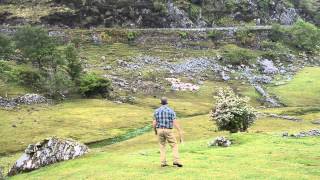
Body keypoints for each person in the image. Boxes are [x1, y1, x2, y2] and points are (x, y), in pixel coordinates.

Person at [153, 97, 183, 167]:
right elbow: (174, 122)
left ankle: (163, 162)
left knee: (162, 146)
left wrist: (155, 131)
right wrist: (179, 130)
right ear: (167, 103)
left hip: (159, 130)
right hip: (168, 130)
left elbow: (154, 123)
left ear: (161, 103)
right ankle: (176, 161)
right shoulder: (171, 111)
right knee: (174, 145)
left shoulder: (156, 111)